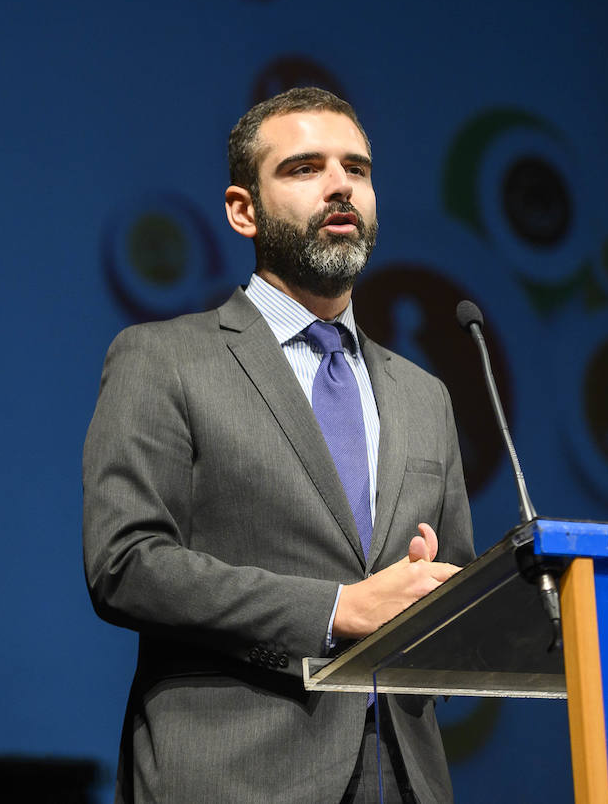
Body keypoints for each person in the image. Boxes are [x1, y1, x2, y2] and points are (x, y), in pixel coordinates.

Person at [82, 87, 475, 802]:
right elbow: (126, 564)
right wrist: (334, 609)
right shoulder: (164, 359)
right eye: (304, 168)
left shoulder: (426, 395)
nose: (339, 186)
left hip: (403, 779)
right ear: (242, 209)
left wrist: (438, 597)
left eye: (356, 168)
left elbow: (457, 590)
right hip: (233, 776)